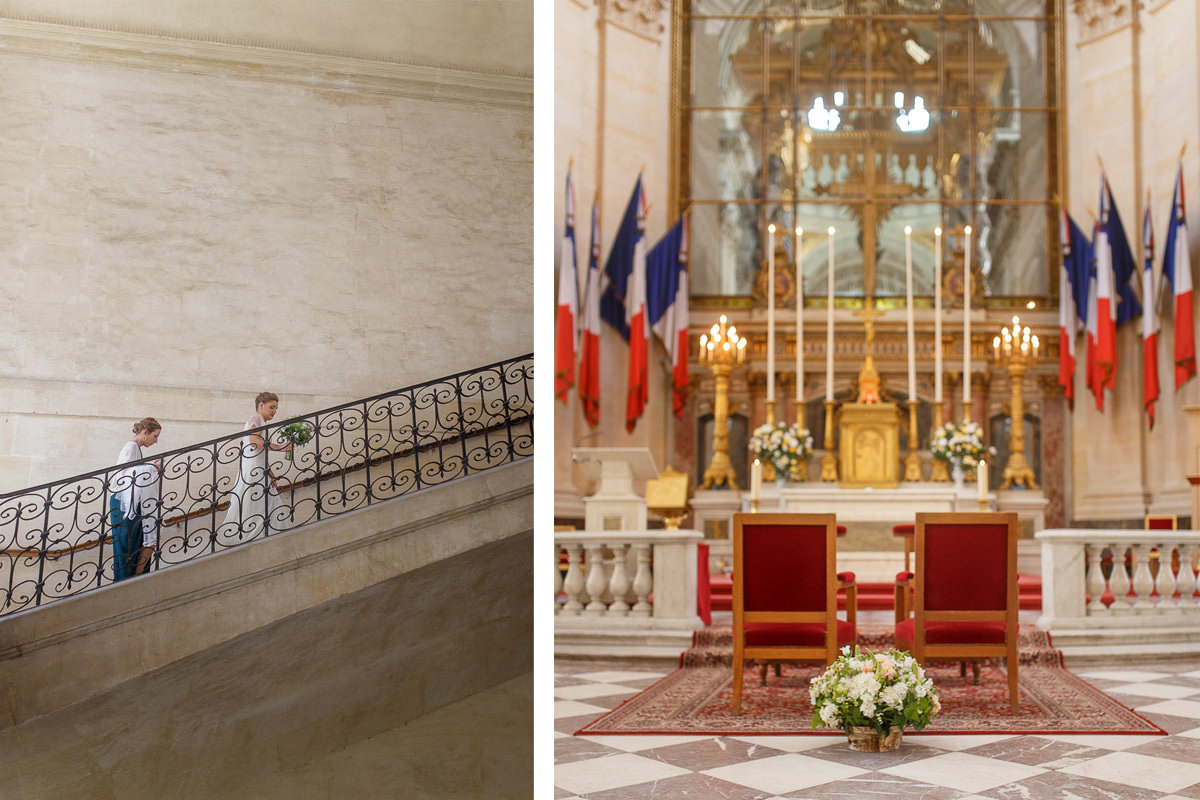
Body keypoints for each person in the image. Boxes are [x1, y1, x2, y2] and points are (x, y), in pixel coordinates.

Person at [223, 391, 292, 541]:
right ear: (261, 405)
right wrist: (280, 447)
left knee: (266, 502)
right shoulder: (256, 418)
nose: (274, 411)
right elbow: (256, 443)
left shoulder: (261, 421)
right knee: (259, 503)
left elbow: (260, 453)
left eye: (276, 408)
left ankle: (264, 536)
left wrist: (271, 474)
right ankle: (255, 537)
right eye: (272, 407)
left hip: (259, 467)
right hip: (254, 470)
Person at [109, 417, 163, 581]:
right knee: (127, 542)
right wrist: (151, 467)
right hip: (124, 504)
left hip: (130, 502)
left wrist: (147, 467)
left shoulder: (135, 448)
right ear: (145, 432)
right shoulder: (131, 446)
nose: (156, 441)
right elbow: (124, 476)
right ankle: (126, 580)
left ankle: (133, 578)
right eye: (155, 436)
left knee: (137, 540)